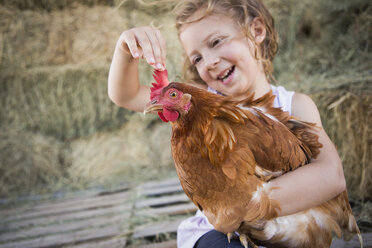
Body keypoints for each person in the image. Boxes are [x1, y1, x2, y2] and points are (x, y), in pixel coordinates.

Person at [108, 0, 346, 247]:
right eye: (197, 58)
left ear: (256, 31)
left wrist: (242, 208)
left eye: (216, 42)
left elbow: (332, 175)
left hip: (287, 228)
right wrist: (126, 49)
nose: (209, 61)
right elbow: (125, 95)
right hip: (220, 233)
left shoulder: (295, 105)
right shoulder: (203, 104)